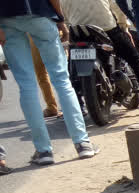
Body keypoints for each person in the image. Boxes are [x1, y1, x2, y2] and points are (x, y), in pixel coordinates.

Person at [0, 0, 99, 164]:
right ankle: (82, 144)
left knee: (26, 86)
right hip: (40, 13)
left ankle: (43, 151)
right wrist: (60, 20)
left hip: (7, 20)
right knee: (62, 81)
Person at [60, 0, 139, 113]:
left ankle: (78, 107)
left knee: (72, 71)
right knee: (135, 61)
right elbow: (117, 7)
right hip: (107, 30)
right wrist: (124, 27)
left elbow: (64, 16)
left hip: (80, 33)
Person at [30, 38, 60, 117]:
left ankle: (52, 107)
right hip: (53, 34)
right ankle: (71, 106)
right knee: (62, 75)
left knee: (41, 74)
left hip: (33, 35)